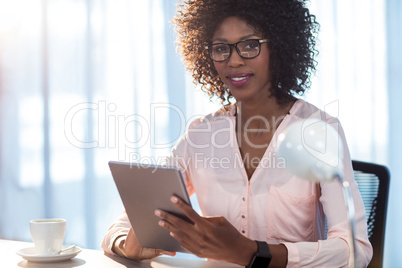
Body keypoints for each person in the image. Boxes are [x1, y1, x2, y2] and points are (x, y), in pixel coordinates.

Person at [102, 0, 373, 267]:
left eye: (250, 45)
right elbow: (125, 224)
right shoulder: (201, 135)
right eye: (221, 48)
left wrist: (252, 252)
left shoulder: (319, 131)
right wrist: (125, 245)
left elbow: (355, 250)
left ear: (278, 47)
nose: (233, 60)